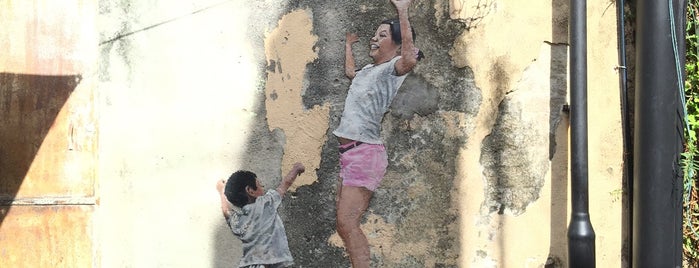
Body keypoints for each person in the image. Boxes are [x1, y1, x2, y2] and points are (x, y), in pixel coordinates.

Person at [333, 0, 422, 267]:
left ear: (395, 46)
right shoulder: (367, 72)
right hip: (351, 153)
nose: (374, 38)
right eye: (375, 33)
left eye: (382, 36)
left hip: (364, 152)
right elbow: (350, 72)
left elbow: (408, 58)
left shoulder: (390, 70)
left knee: (347, 222)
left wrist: (402, 11)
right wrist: (349, 46)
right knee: (343, 224)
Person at [216, 163, 305, 268]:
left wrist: (221, 191)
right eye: (260, 185)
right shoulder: (265, 204)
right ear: (250, 191)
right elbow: (285, 184)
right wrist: (296, 169)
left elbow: (227, 212)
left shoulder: (239, 222)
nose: (263, 187)